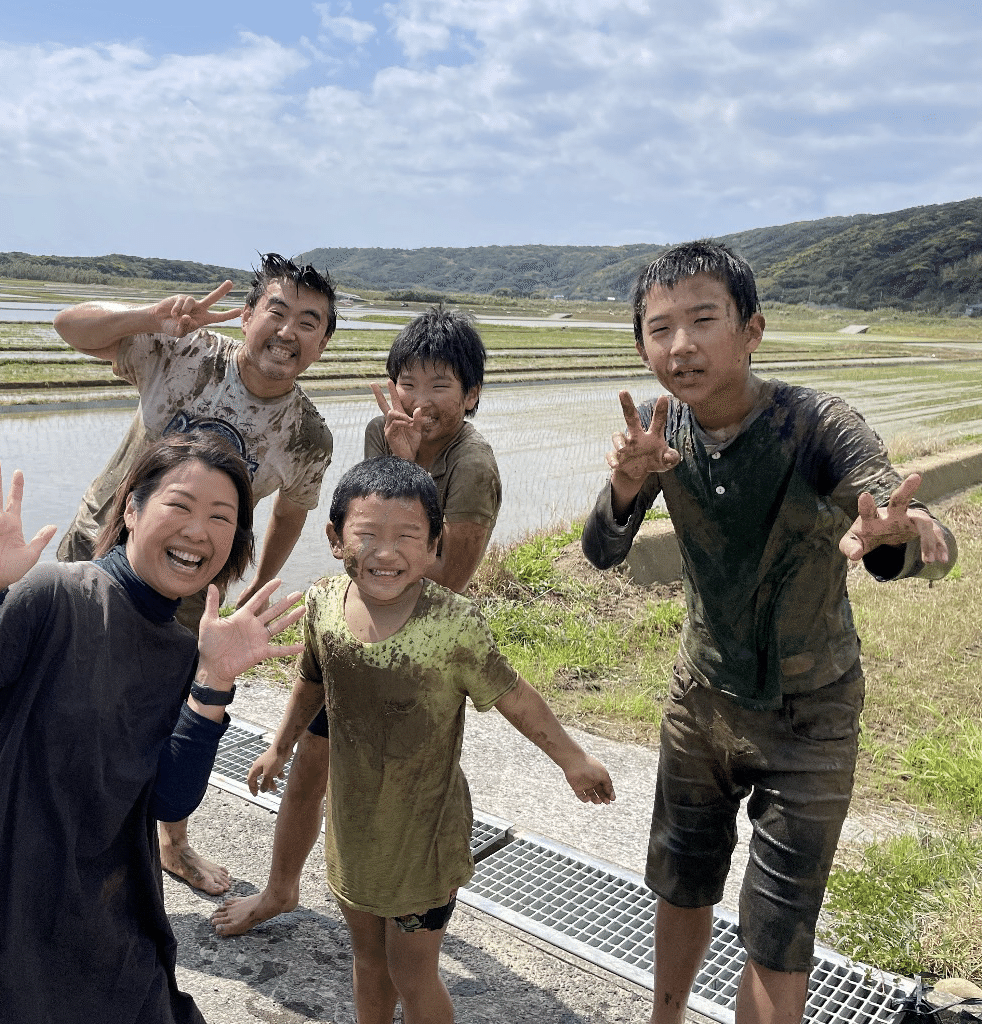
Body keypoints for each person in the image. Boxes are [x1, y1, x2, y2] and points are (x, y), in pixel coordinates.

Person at [580, 240, 957, 1024]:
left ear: (750, 330)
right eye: (658, 329)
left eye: (702, 320)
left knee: (778, 925)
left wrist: (903, 531)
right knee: (680, 879)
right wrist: (624, 484)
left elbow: (901, 517)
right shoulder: (660, 433)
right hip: (700, 699)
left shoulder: (815, 423)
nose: (679, 345)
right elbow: (602, 552)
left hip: (809, 714)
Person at [0, 434, 306, 1023]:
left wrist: (213, 684)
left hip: (97, 922)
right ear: (130, 510)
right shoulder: (55, 597)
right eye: (179, 505)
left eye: (220, 518)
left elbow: (169, 798)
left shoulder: (188, 653)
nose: (197, 531)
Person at [248, 456, 614, 1024]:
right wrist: (280, 744)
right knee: (368, 961)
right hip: (355, 826)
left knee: (411, 972)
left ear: (435, 543)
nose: (386, 553)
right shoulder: (322, 605)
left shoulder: (454, 625)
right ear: (335, 539)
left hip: (425, 836)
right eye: (366, 535)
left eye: (407, 537)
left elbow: (514, 694)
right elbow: (311, 682)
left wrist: (573, 759)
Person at [213, 307, 502, 936]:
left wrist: (412, 463)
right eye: (408, 383)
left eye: (440, 386)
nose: (419, 401)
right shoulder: (383, 431)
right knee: (307, 769)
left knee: (400, 791)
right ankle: (281, 890)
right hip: (355, 637)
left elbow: (443, 578)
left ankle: (408, 907)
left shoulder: (472, 466)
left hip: (415, 657)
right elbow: (362, 535)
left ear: (472, 394)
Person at [53, 253, 336, 894]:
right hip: (101, 547)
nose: (289, 332)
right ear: (247, 315)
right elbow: (70, 325)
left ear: (322, 345)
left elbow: (292, 510)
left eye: (310, 323)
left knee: (171, 710)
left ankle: (171, 845)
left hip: (188, 585)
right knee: (66, 688)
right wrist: (150, 316)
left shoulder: (307, 436)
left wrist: (253, 589)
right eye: (278, 311)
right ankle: (57, 819)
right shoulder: (188, 355)